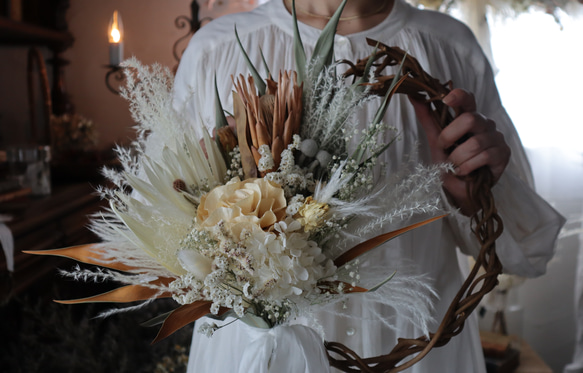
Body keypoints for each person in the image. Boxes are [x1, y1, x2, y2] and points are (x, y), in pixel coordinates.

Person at [172, 0, 565, 371]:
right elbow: (163, 234)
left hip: (415, 350)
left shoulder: (450, 48)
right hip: (261, 356)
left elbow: (524, 249)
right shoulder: (216, 52)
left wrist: (470, 195)